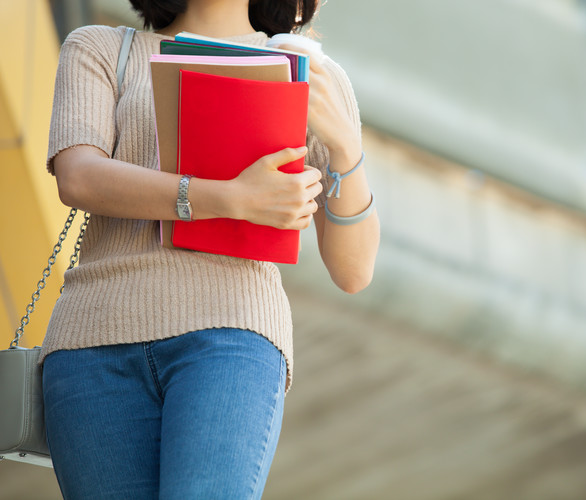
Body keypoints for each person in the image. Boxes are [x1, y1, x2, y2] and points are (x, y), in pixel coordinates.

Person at [41, 0, 379, 498]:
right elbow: (79, 177)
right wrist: (232, 198)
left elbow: (353, 271)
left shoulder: (309, 71)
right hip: (91, 349)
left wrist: (346, 148)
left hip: (231, 341)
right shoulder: (101, 48)